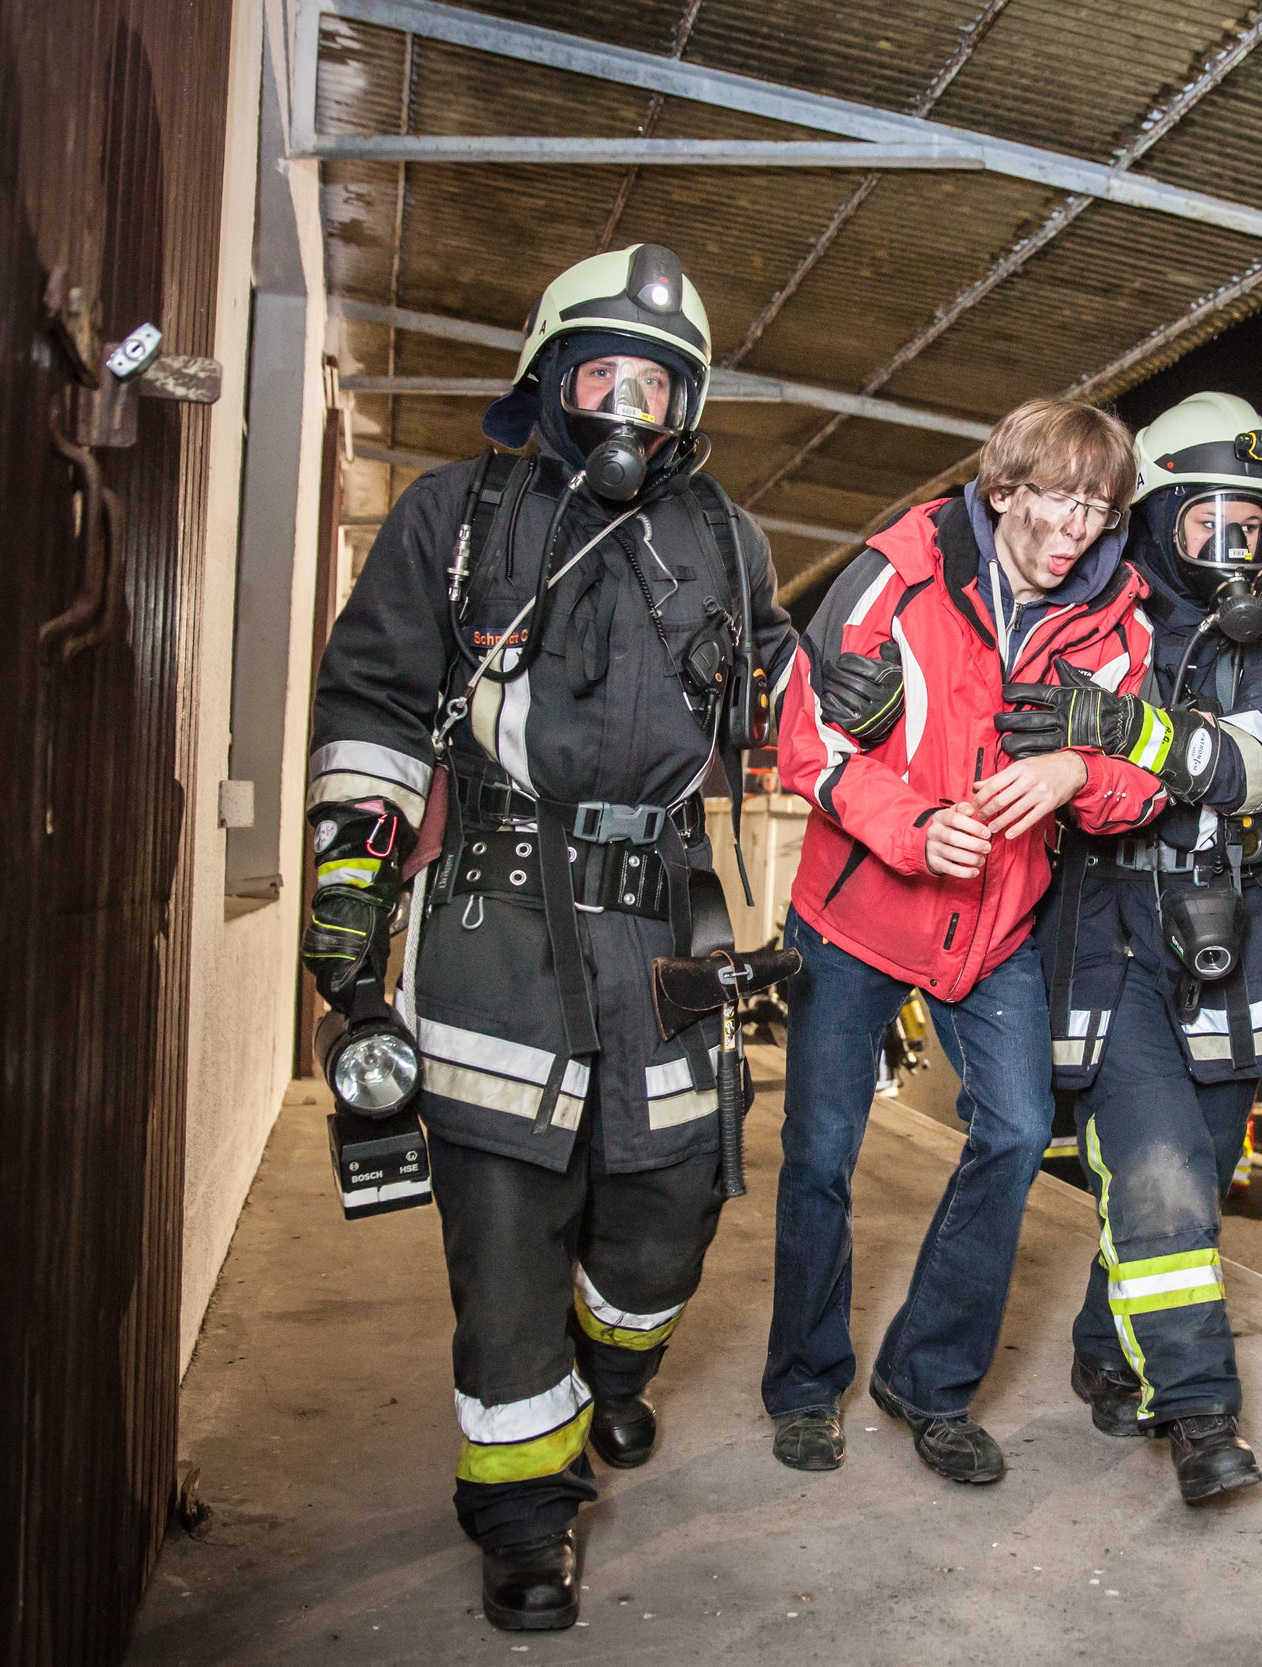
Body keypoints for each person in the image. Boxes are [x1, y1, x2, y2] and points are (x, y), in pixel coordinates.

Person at [303, 245, 863, 1630]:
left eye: (656, 383)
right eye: (603, 372)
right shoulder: (452, 515)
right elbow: (374, 705)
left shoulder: (727, 537)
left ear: (689, 405)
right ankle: (523, 1508)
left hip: (668, 922)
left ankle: (610, 1374)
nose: (628, 403)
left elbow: (774, 695)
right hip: (497, 919)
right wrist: (347, 907)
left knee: (669, 1216)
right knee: (505, 1234)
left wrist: (847, 685)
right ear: (550, 377)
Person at [760, 398, 1167, 1488]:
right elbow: (808, 737)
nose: (1077, 525)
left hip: (993, 924)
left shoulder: (1119, 625)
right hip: (856, 912)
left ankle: (927, 1381)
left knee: (1018, 1128)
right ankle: (805, 1382)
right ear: (1004, 491)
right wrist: (908, 824)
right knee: (821, 1151)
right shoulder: (896, 572)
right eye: (1056, 497)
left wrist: (1078, 772)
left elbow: (1144, 779)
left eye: (1097, 504)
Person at [1003, 391, 1262, 1503]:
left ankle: (1104, 1341)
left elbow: (1256, 764)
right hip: (1113, 947)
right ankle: (1199, 1414)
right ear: (1161, 513)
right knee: (1160, 1171)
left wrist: (1119, 726)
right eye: (1210, 518)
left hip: (1230, 953)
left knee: (1185, 1189)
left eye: (1255, 519)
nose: (1237, 543)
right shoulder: (1092, 618)